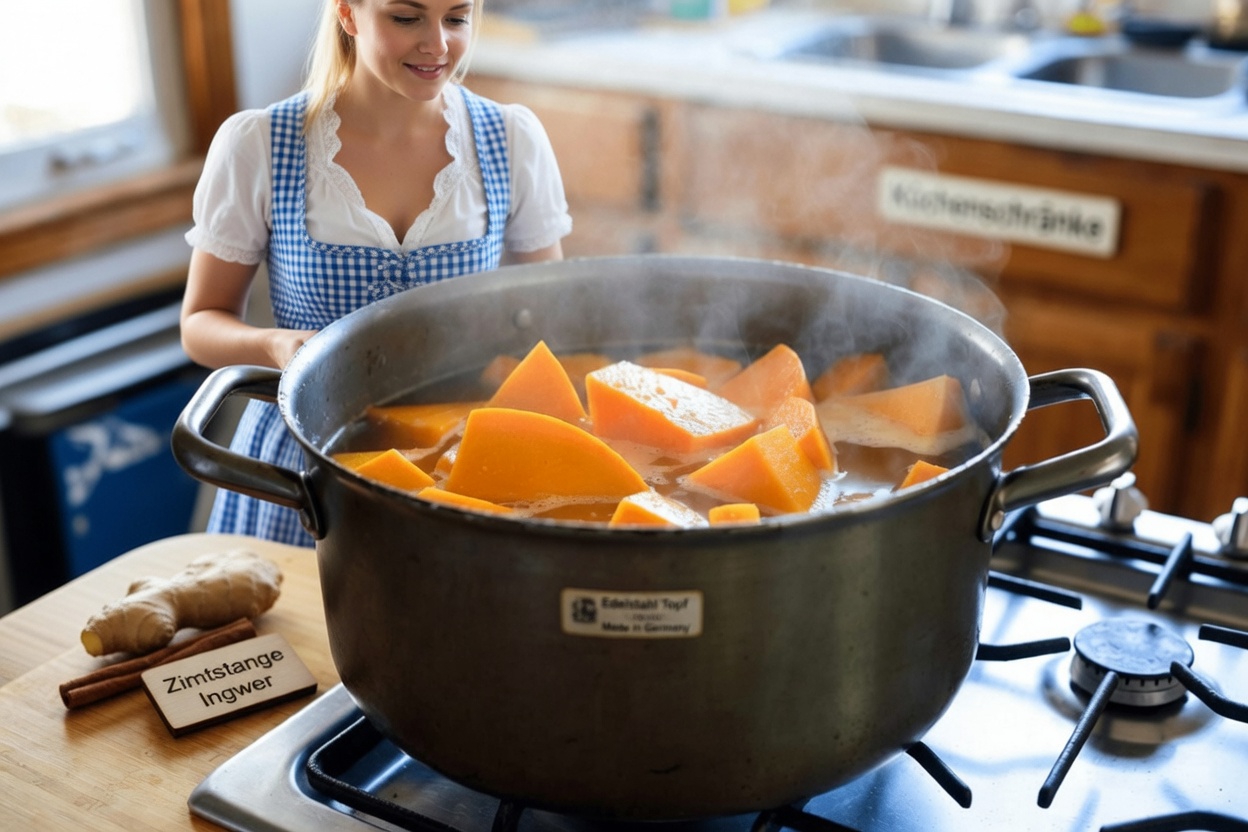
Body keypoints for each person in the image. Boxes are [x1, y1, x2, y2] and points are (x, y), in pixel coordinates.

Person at [180, 0, 572, 546]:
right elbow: (201, 321)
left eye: (456, 18)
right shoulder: (260, 145)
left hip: (459, 468)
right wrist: (276, 345)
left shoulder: (511, 139)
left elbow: (546, 323)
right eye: (407, 18)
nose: (438, 45)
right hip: (305, 469)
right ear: (347, 13)